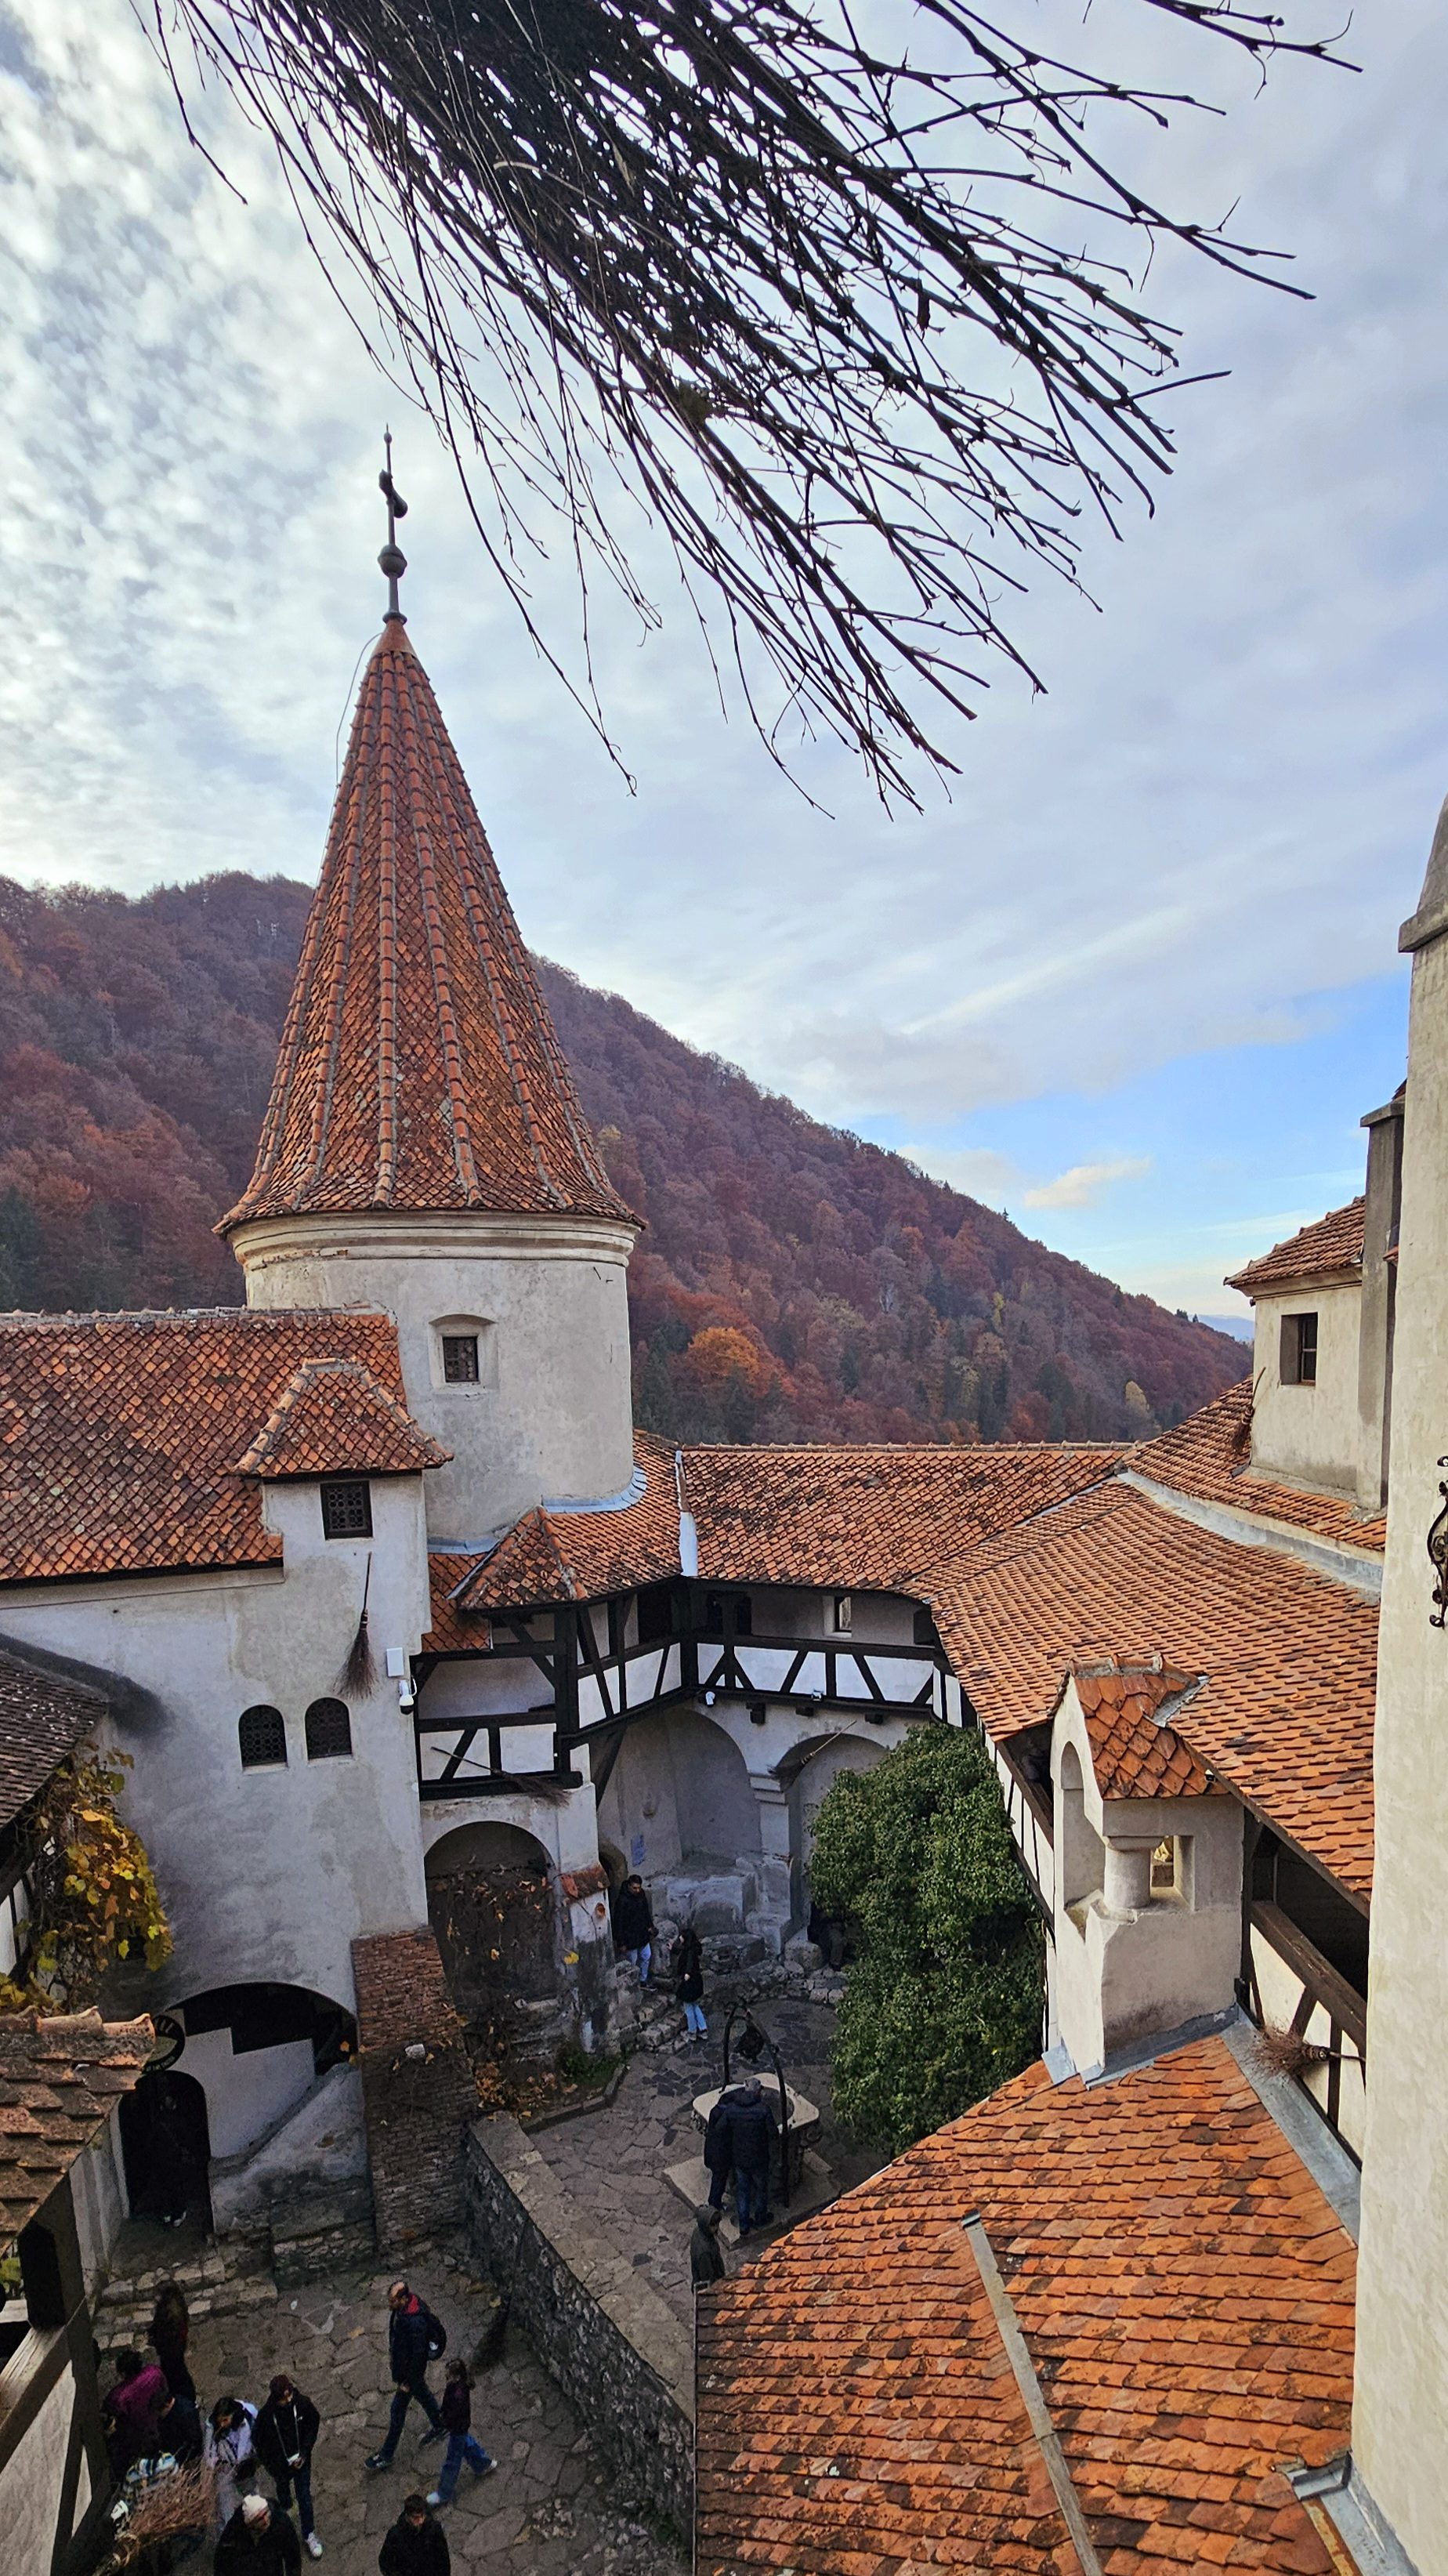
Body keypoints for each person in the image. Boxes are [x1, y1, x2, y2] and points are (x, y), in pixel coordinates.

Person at [364, 2281, 447, 2469]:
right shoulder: (402, 2311)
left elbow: (419, 2356)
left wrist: (408, 2382)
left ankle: (386, 2455)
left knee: (397, 2411)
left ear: (403, 2299)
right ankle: (440, 2424)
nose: (389, 2304)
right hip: (408, 2373)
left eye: (392, 2301)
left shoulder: (415, 2322)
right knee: (423, 2395)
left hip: (410, 2375)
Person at [255, 2372, 324, 2559]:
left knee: (305, 2497)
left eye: (289, 2395)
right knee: (283, 2491)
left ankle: (309, 2534)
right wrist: (272, 2466)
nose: (288, 2400)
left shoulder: (302, 2404)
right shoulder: (266, 2417)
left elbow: (313, 2425)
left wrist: (305, 2452)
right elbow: (260, 2444)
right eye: (284, 2398)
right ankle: (286, 2510)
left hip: (301, 2461)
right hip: (281, 2467)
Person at [425, 2357, 496, 2507]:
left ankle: (444, 2494)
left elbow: (454, 2413)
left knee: (452, 2461)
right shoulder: (457, 2386)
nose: (445, 2376)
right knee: (467, 2445)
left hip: (457, 2427)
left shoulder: (458, 2394)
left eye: (448, 2374)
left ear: (455, 2376)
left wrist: (444, 2421)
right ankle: (483, 2465)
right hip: (460, 2428)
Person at [724, 2076, 778, 2237]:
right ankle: (760, 2217)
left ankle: (744, 2224)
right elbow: (773, 2133)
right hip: (759, 2159)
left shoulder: (733, 2109)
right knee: (761, 2189)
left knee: (743, 2191)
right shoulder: (763, 2110)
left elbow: (723, 2129)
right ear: (758, 2092)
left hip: (740, 2159)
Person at [104, 2346, 168, 2476]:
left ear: (123, 2373)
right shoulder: (154, 2373)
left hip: (136, 2434)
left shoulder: (119, 2396)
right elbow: (165, 2389)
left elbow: (110, 2413)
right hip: (159, 2422)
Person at [215, 2492, 302, 2576]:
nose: (266, 2520)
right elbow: (222, 2565)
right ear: (250, 2523)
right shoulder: (233, 2535)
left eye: (266, 2513)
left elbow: (293, 2556)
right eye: (260, 2519)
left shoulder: (280, 2523)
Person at [206, 2393, 259, 2531]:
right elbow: (209, 2451)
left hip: (245, 2466)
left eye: (225, 2420)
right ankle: (229, 2533)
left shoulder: (249, 2415)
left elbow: (259, 2435)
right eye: (220, 2421)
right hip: (224, 2467)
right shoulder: (212, 2425)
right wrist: (214, 2466)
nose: (222, 2425)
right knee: (225, 2506)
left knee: (253, 2500)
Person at [379, 2494, 451, 2576]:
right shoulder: (395, 2535)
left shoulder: (434, 2530)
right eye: (416, 2518)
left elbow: (443, 2560)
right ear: (408, 2517)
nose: (421, 2521)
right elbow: (385, 2562)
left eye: (422, 2516)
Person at [149, 2278, 194, 2400]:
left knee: (176, 2371)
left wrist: (158, 2340)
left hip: (172, 2349)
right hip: (169, 2347)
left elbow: (171, 2334)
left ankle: (183, 2396)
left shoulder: (173, 2312)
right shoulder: (168, 2306)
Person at [614, 1873, 654, 1983]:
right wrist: (621, 1942)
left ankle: (643, 1979)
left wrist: (650, 1926)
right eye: (634, 1888)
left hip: (642, 1934)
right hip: (629, 1938)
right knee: (632, 1962)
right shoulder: (622, 1901)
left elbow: (646, 1912)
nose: (637, 1890)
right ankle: (633, 1983)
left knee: (646, 1956)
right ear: (629, 1886)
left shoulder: (641, 1895)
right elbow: (619, 1922)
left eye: (639, 1888)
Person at [672, 1924, 707, 2040]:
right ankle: (703, 2029)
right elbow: (683, 1952)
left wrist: (687, 1974)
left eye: (681, 1936)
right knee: (695, 2005)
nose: (680, 1938)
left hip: (689, 1984)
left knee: (688, 2009)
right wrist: (673, 1949)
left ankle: (692, 2032)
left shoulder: (689, 1952)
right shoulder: (693, 1948)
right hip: (696, 1982)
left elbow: (689, 1963)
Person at [690, 2203, 726, 2288]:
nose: (716, 2227)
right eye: (713, 2225)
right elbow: (708, 2278)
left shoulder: (699, 2231)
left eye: (717, 2224)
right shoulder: (704, 2253)